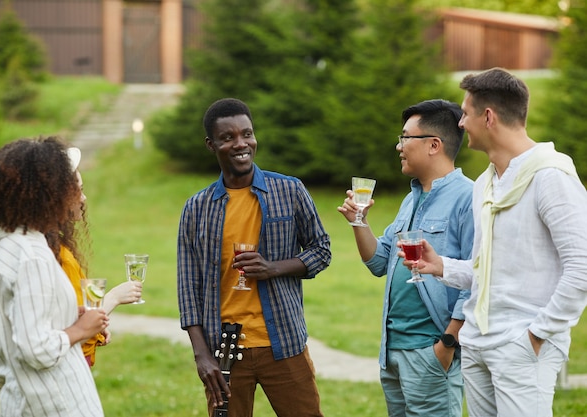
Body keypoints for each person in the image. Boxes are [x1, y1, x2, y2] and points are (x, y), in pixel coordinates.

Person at [404, 68, 587, 417]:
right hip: (477, 344)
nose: (460, 123)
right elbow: (487, 271)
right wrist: (441, 265)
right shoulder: (484, 185)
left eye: (466, 113)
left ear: (488, 117)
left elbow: (582, 267)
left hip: (523, 346)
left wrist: (536, 335)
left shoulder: (552, 177)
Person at [177, 97, 331, 417]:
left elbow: (321, 250)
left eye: (247, 134)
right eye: (228, 137)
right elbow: (187, 288)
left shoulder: (289, 191)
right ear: (211, 145)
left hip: (284, 343)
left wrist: (273, 268)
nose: (241, 144)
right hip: (225, 351)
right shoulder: (196, 208)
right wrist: (201, 356)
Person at [337, 99, 473, 417]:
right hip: (393, 351)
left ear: (433, 145)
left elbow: (476, 277)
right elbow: (380, 262)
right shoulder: (410, 199)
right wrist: (359, 222)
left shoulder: (467, 198)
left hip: (431, 351)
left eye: (405, 137)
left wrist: (446, 346)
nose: (398, 146)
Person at [0, 137, 107, 416]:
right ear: (49, 193)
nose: (81, 198)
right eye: (74, 190)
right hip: (57, 404)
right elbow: (36, 349)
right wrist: (80, 330)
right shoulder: (32, 253)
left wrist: (68, 315)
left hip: (17, 403)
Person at [45, 146, 142, 367]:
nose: (83, 198)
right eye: (78, 190)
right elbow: (78, 327)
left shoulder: (54, 247)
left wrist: (98, 327)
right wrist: (115, 297)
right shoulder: (59, 255)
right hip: (72, 365)